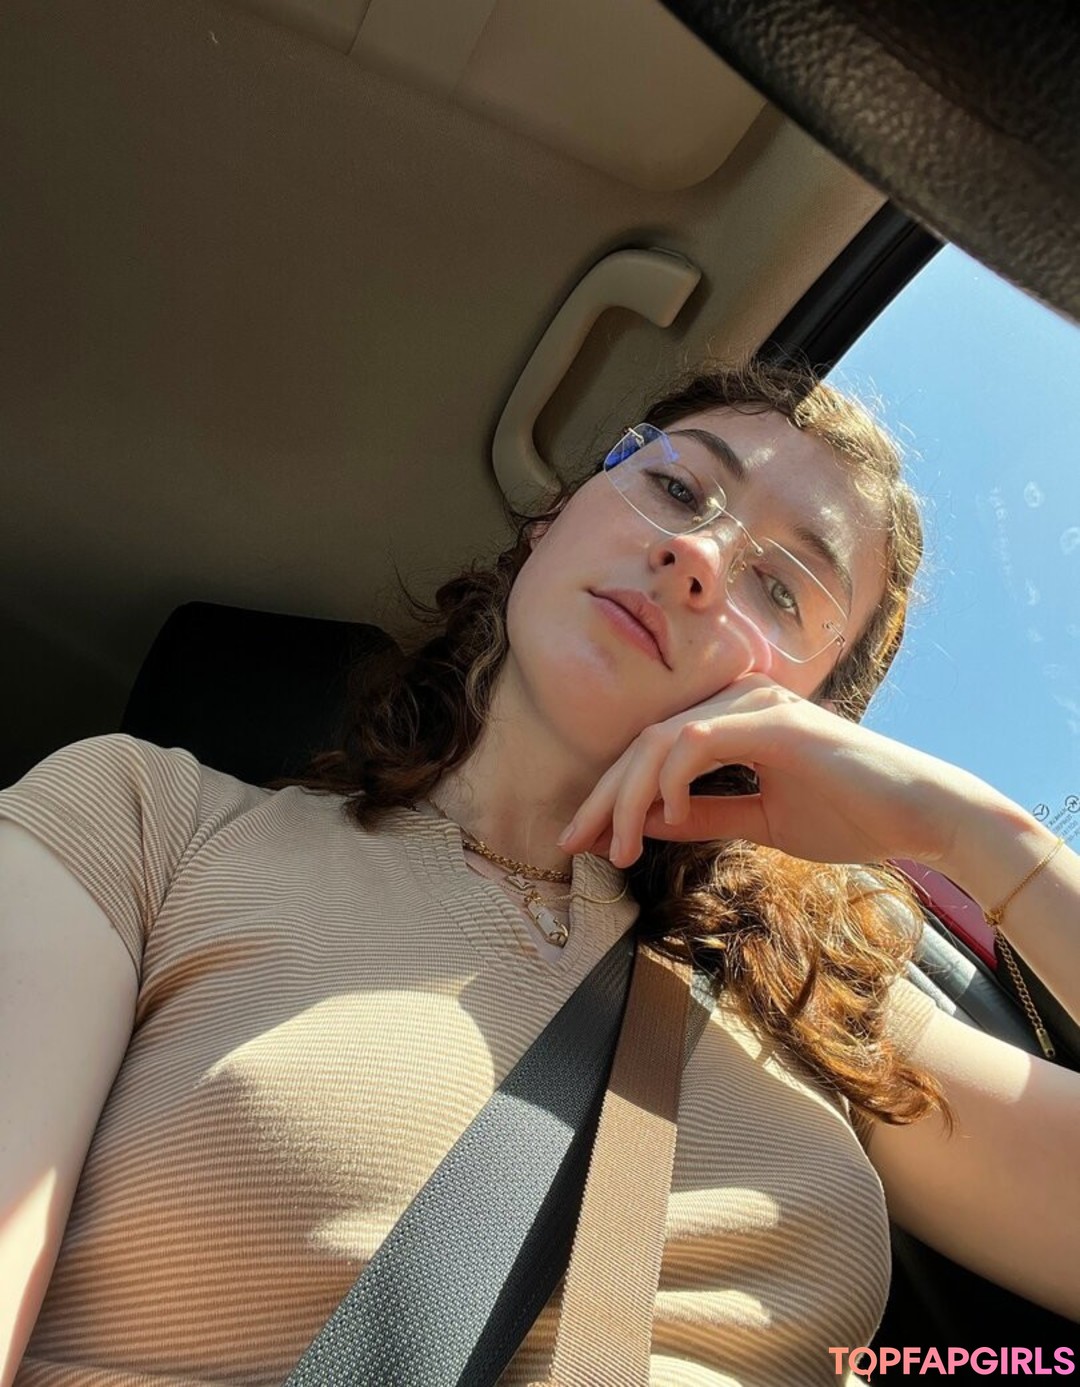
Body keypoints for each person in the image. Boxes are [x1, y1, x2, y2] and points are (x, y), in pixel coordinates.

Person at [1, 360, 1077, 1387]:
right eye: (676, 487)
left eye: (783, 590)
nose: (699, 556)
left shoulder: (820, 1011)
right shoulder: (146, 820)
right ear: (552, 519)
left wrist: (975, 838)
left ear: (812, 719)